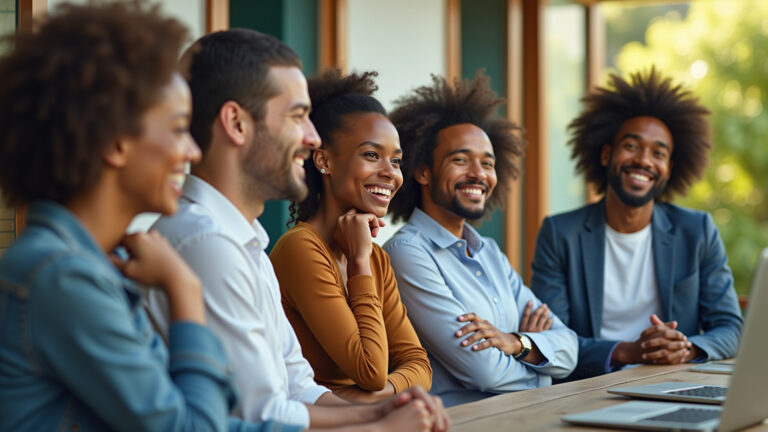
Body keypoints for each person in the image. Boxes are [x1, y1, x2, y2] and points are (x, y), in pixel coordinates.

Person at [143, 29, 448, 431]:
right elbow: (260, 415)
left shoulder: (246, 240)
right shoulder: (208, 242)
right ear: (236, 123)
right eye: (296, 116)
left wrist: (382, 410)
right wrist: (381, 424)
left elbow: (295, 385)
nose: (311, 136)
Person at [0, 3, 280, 430]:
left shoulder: (97, 266)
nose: (193, 151)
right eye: (178, 128)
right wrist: (184, 289)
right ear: (115, 143)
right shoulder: (63, 276)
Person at [530, 68, 743, 380]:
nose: (644, 160)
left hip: (674, 380)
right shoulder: (560, 234)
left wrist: (686, 349)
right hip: (590, 384)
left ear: (669, 169)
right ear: (606, 154)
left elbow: (730, 328)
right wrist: (628, 351)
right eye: (631, 146)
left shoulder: (696, 230)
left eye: (658, 153)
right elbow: (552, 337)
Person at [382, 73, 578, 407]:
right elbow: (482, 371)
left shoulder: (489, 253)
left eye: (487, 163)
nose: (478, 173)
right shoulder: (407, 253)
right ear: (422, 171)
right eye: (460, 160)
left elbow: (570, 348)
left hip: (522, 417)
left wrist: (517, 344)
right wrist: (542, 365)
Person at [270, 70, 432, 403]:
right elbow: (370, 370)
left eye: (397, 160)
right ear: (324, 160)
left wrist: (370, 398)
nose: (390, 172)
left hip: (357, 419)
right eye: (372, 155)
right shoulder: (301, 248)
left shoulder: (376, 257)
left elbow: (419, 365)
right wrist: (359, 263)